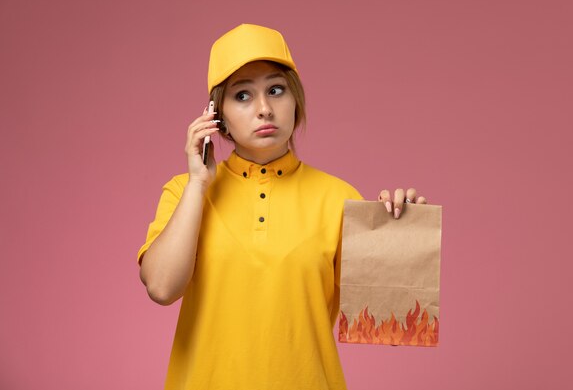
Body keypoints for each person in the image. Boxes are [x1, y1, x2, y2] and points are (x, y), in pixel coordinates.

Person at [137, 24, 427, 390]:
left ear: (296, 101)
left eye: (276, 90)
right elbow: (161, 288)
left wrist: (402, 233)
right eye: (242, 95)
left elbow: (391, 317)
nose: (264, 109)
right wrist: (197, 183)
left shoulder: (339, 197)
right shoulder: (185, 193)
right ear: (216, 116)